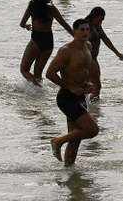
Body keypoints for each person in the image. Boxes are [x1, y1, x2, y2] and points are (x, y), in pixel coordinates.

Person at [46, 18, 100, 166]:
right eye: (81, 30)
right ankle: (57, 141)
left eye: (87, 29)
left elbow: (85, 70)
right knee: (92, 130)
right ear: (74, 31)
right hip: (67, 98)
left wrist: (88, 83)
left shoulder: (87, 46)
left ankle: (69, 172)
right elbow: (50, 73)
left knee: (75, 139)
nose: (85, 32)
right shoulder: (66, 51)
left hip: (81, 96)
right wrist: (69, 86)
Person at [20, 0, 73, 86]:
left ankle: (36, 89)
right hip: (49, 41)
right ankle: (39, 94)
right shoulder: (51, 9)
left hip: (36, 39)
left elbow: (22, 23)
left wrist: (26, 26)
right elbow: (64, 24)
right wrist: (76, 36)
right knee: (38, 74)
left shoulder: (32, 6)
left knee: (24, 69)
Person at [84, 6, 123, 99]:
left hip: (93, 58)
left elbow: (105, 39)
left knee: (89, 84)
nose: (101, 22)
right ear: (94, 16)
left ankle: (88, 106)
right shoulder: (85, 26)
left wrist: (117, 53)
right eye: (100, 19)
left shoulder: (97, 25)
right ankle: (93, 108)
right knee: (96, 85)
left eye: (102, 20)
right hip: (87, 58)